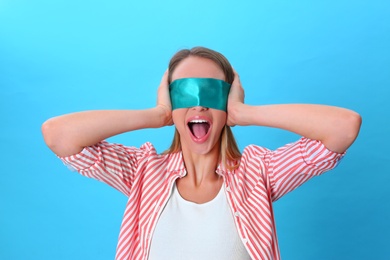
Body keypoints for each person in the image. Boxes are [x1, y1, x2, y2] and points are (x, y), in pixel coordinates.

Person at [42, 46, 362, 260]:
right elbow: (59, 136)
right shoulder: (143, 170)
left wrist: (244, 112)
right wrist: (157, 115)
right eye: (185, 92)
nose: (199, 103)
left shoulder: (257, 171)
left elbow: (343, 128)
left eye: (212, 91)